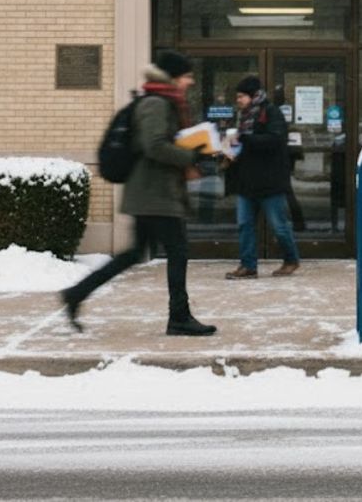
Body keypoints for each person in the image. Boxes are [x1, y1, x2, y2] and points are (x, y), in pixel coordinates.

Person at [60, 51, 217, 336]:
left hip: (152, 193)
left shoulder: (161, 101)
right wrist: (190, 155)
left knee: (133, 254)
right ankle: (179, 317)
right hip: (155, 194)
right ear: (173, 77)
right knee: (178, 251)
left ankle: (77, 293)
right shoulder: (157, 103)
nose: (190, 81)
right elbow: (154, 145)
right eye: (186, 76)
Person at [223, 75, 301, 279]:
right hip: (246, 181)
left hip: (269, 181)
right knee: (244, 225)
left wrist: (245, 139)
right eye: (237, 96)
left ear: (253, 95)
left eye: (241, 96)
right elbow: (244, 144)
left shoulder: (271, 113)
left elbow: (275, 140)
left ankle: (291, 259)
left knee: (279, 225)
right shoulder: (241, 117)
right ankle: (248, 266)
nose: (238, 100)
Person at [271, 84, 307, 232]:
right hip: (284, 158)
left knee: (281, 192)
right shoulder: (280, 113)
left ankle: (291, 224)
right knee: (285, 192)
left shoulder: (274, 113)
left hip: (279, 159)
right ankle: (295, 223)